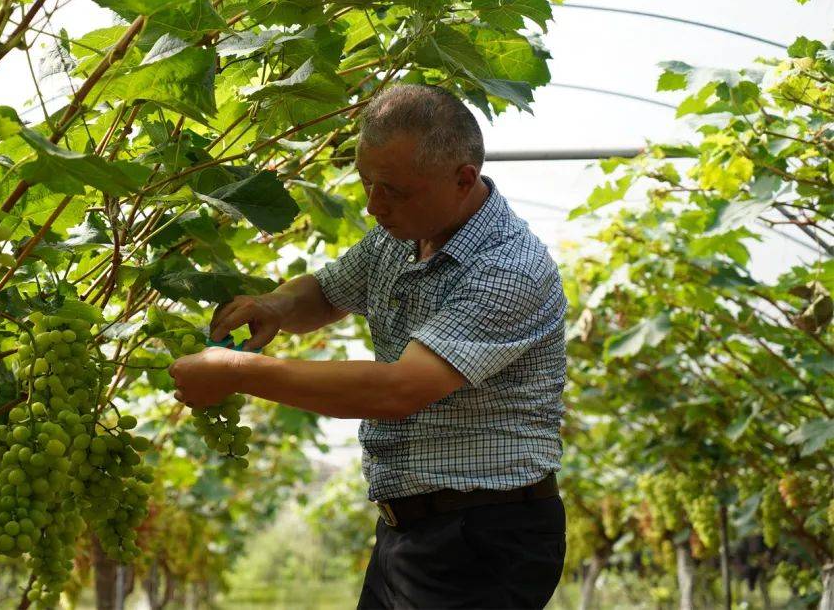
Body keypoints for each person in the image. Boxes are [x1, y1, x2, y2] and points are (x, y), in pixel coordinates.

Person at [168, 84, 568, 609]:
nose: (373, 205)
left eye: (393, 191)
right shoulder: (400, 236)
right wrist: (275, 305)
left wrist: (238, 371)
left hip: (485, 538)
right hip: (412, 532)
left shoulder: (510, 268)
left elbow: (397, 391)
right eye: (366, 183)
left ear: (463, 179)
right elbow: (327, 292)